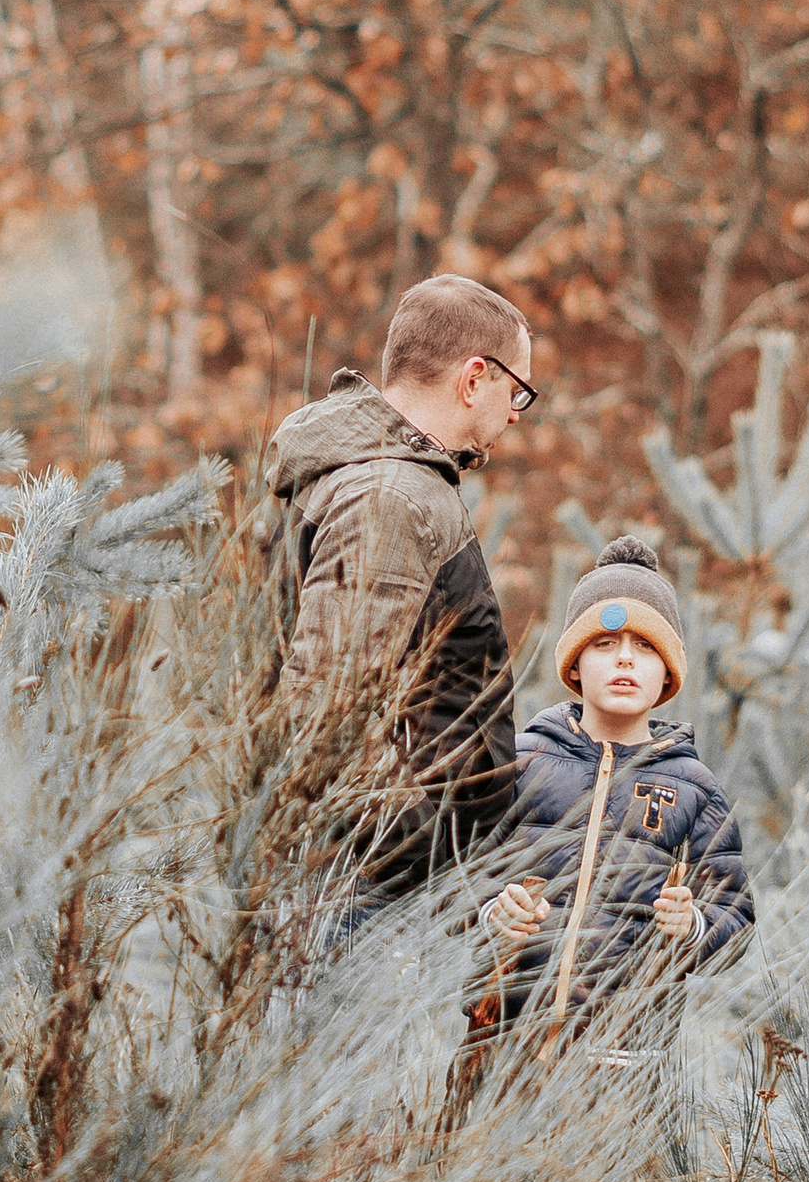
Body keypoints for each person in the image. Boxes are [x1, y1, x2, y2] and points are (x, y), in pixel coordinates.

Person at [265, 272, 535, 913]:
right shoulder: (391, 499)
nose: (515, 416)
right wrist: (427, 856)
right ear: (474, 380)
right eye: (516, 391)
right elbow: (326, 723)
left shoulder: (392, 486)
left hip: (378, 886)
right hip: (368, 895)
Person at [479, 535, 752, 1052]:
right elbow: (457, 876)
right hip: (502, 1045)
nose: (625, 659)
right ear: (574, 665)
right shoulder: (520, 762)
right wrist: (495, 913)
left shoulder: (694, 789)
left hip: (626, 1062)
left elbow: (735, 919)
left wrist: (691, 924)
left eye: (645, 646)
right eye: (605, 644)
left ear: (668, 672)